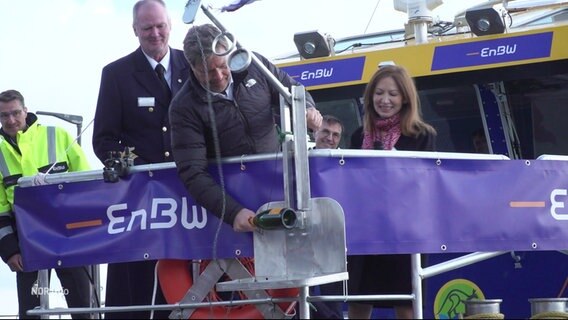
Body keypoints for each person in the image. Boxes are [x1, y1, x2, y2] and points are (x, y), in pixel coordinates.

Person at [170, 23, 322, 232]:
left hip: (282, 187)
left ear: (230, 53)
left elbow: (294, 91)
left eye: (222, 66)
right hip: (234, 201)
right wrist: (232, 212)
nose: (219, 76)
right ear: (192, 67)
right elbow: (192, 172)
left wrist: (308, 110)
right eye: (208, 71)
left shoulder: (255, 65)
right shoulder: (183, 107)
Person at [91, 0, 190, 318]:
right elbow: (104, 139)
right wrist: (137, 165)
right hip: (140, 202)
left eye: (160, 26)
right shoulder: (117, 74)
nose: (155, 33)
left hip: (191, 195)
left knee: (193, 276)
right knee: (137, 285)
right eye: (147, 28)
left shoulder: (194, 66)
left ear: (170, 25)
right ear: (135, 30)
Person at [348, 65, 436, 319]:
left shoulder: (422, 135)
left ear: (405, 98)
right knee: (359, 303)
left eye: (393, 94)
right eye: (379, 93)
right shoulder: (358, 136)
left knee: (407, 305)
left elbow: (426, 184)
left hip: (405, 233)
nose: (385, 100)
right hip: (365, 232)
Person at [0, 90, 92, 319]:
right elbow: (0, 210)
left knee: (83, 307)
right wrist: (10, 250)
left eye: (15, 113)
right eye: (4, 116)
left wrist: (86, 234)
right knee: (31, 312)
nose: (11, 120)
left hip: (70, 238)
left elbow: (88, 185)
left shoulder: (58, 135)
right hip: (27, 244)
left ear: (26, 111)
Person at [311, 114, 345, 318]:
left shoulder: (345, 163)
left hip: (335, 240)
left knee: (333, 300)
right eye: (325, 132)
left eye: (336, 135)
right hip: (304, 240)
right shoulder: (299, 158)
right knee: (304, 297)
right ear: (315, 132)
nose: (330, 138)